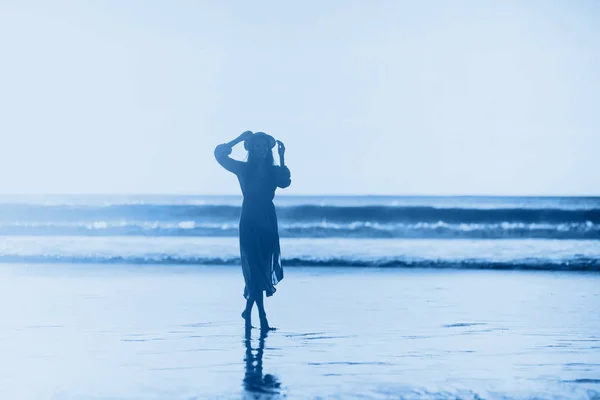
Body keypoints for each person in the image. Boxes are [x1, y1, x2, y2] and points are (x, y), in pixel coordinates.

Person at [214, 130, 291, 330]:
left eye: (265, 147)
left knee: (262, 266)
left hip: (267, 219)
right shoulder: (243, 168)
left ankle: (248, 312)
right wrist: (239, 139)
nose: (262, 150)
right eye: (257, 146)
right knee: (254, 267)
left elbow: (284, 182)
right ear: (251, 148)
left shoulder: (273, 171)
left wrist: (282, 157)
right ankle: (262, 318)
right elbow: (219, 154)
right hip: (249, 219)